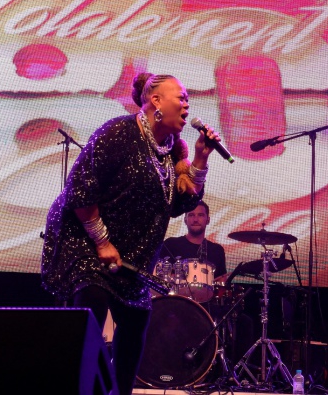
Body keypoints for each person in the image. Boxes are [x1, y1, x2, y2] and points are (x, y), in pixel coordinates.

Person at [41, 72, 220, 395]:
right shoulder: (118, 133)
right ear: (155, 101)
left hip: (131, 256)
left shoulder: (171, 150)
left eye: (187, 99)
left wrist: (200, 159)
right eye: (180, 97)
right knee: (92, 308)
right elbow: (80, 190)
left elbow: (180, 205)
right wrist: (102, 241)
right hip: (85, 241)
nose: (187, 104)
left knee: (136, 324)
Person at [162, 200, 254, 377]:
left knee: (244, 322)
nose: (195, 219)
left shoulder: (216, 250)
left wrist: (219, 283)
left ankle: (230, 374)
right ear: (185, 220)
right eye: (191, 215)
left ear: (208, 219)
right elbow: (159, 273)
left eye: (200, 215)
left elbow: (221, 280)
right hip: (177, 303)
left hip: (208, 304)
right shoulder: (171, 244)